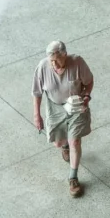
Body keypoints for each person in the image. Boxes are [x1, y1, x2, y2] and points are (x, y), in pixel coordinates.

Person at [32, 41, 94, 198]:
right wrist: (37, 115)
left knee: (76, 141)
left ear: (64, 54)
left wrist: (86, 96)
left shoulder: (77, 62)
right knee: (58, 143)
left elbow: (89, 81)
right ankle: (64, 145)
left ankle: (73, 177)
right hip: (55, 107)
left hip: (76, 106)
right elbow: (37, 93)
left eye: (56, 59)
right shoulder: (42, 66)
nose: (53, 63)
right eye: (50, 59)